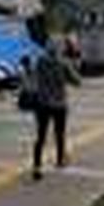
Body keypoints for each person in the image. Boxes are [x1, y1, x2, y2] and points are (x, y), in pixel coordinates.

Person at [29, 42, 81, 181]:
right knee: (59, 133)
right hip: (59, 104)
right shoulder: (63, 63)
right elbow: (77, 82)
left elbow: (33, 79)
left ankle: (37, 166)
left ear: (46, 50)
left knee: (40, 136)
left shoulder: (39, 62)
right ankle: (60, 160)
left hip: (42, 104)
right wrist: (73, 68)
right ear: (58, 50)